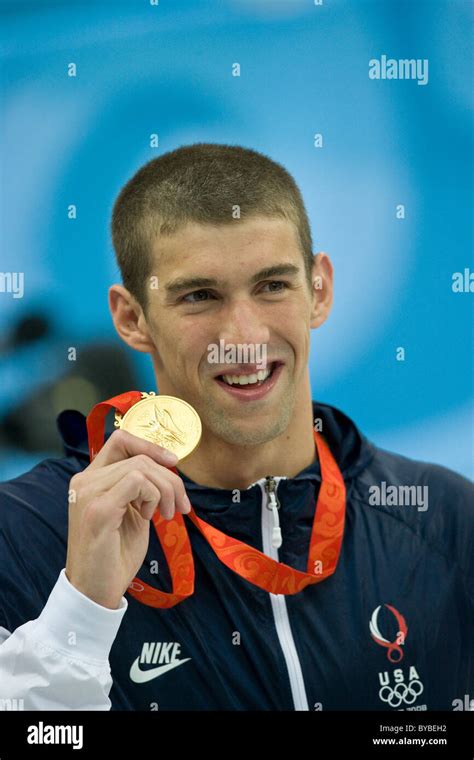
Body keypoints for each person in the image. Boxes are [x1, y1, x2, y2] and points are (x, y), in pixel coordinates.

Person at [0, 143, 472, 711]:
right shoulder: (23, 537)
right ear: (132, 317)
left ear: (318, 289)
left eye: (272, 285)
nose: (243, 334)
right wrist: (80, 613)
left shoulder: (444, 520)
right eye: (200, 296)